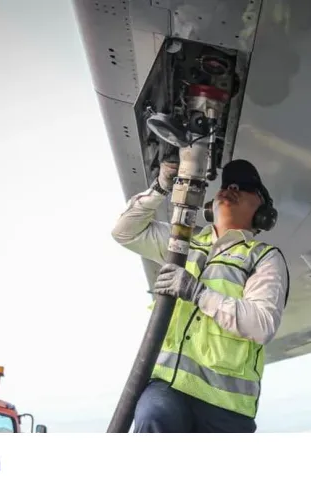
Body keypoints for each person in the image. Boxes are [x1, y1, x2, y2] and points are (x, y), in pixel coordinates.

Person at [111, 158, 290, 433]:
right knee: (153, 416)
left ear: (264, 213)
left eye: (245, 187)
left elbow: (261, 324)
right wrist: (160, 187)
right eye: (228, 184)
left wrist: (198, 293)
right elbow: (125, 232)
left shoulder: (262, 257)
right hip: (169, 387)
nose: (232, 188)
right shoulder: (184, 242)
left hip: (225, 407)